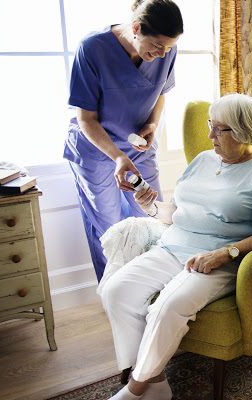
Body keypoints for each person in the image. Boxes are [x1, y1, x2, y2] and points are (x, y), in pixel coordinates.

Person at [101, 93, 252, 400]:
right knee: (116, 291)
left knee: (167, 306)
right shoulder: (202, 160)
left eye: (219, 129)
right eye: (210, 125)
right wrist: (149, 204)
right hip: (172, 246)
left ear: (242, 131)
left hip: (215, 260)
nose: (210, 135)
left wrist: (224, 254)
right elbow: (175, 214)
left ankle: (134, 391)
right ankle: (156, 383)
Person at [63, 0, 184, 282]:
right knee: (109, 226)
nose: (162, 53)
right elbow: (86, 119)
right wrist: (117, 156)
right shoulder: (92, 49)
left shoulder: (166, 50)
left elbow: (161, 91)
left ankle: (154, 289)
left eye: (168, 48)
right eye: (157, 46)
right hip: (96, 148)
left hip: (138, 145)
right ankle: (117, 295)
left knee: (154, 218)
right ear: (136, 28)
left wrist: (152, 123)